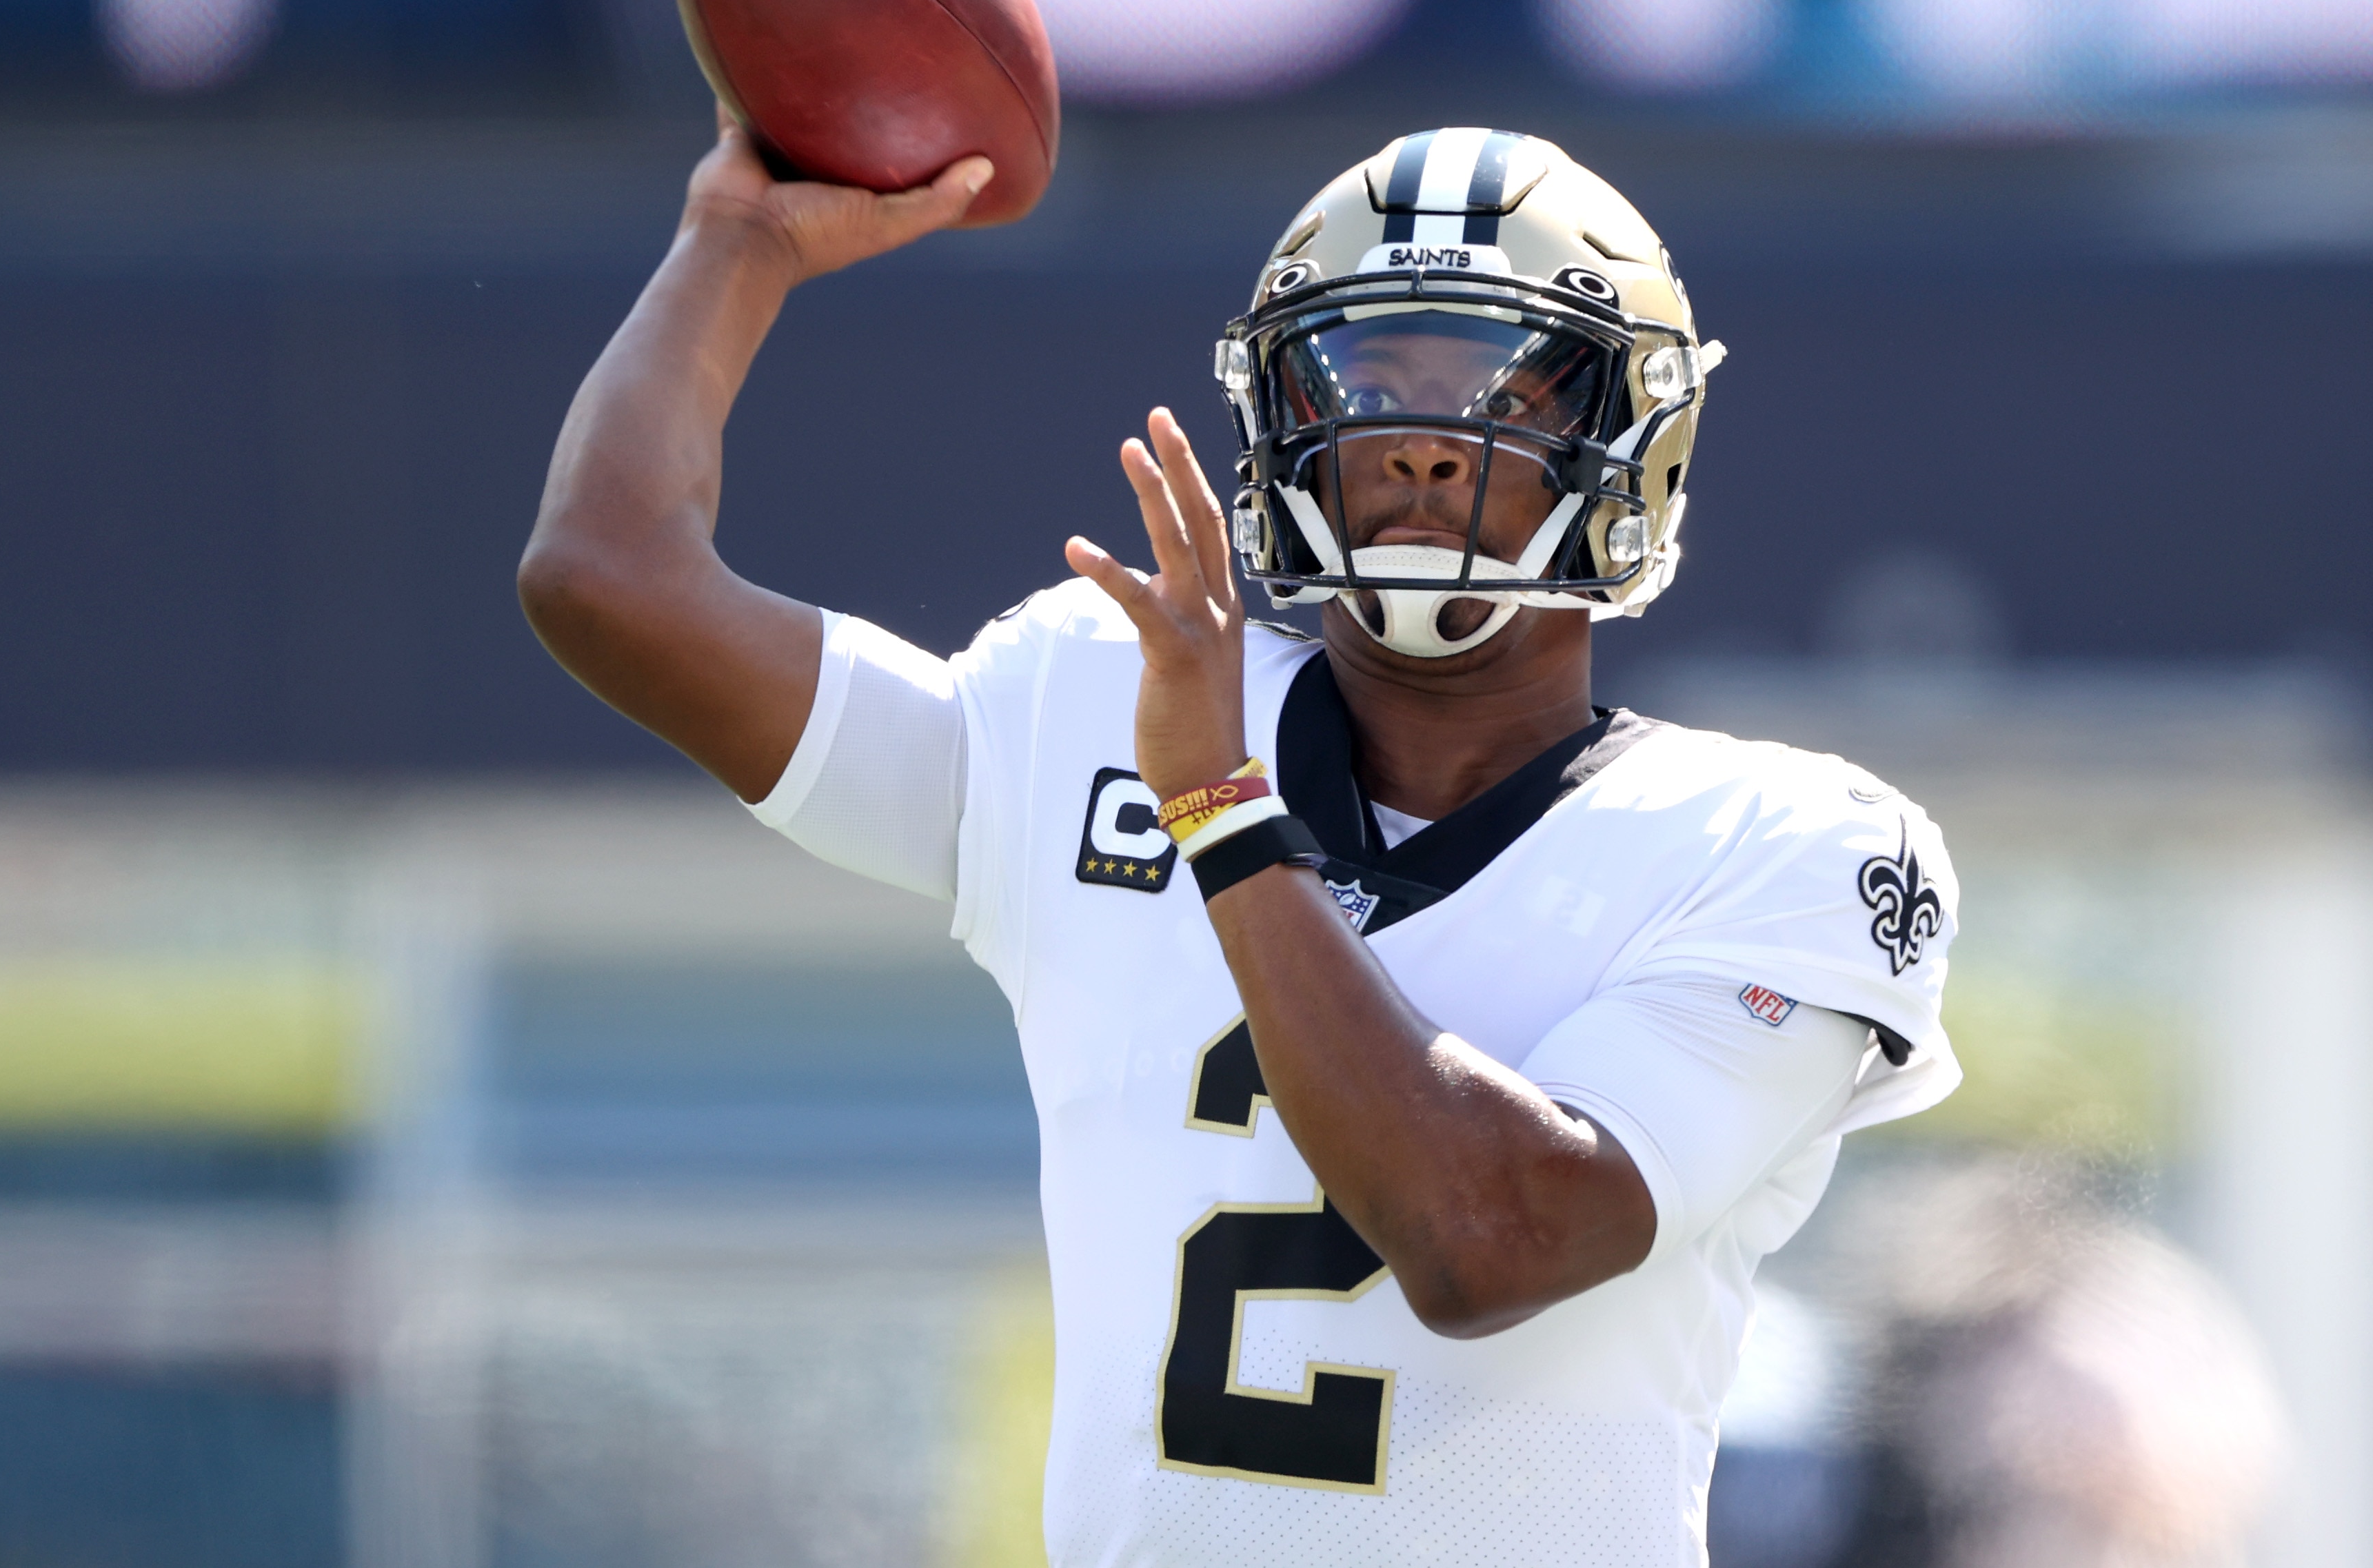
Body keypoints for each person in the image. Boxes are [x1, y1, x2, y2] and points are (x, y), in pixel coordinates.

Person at [518, 118, 1961, 1566]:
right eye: (1363, 375)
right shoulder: (1097, 697)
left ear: (1628, 431)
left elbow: (1484, 1236)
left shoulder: (1787, 847)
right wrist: (739, 243)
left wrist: (1220, 803)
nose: (1414, 437)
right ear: (1275, 422)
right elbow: (609, 580)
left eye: (1493, 384)